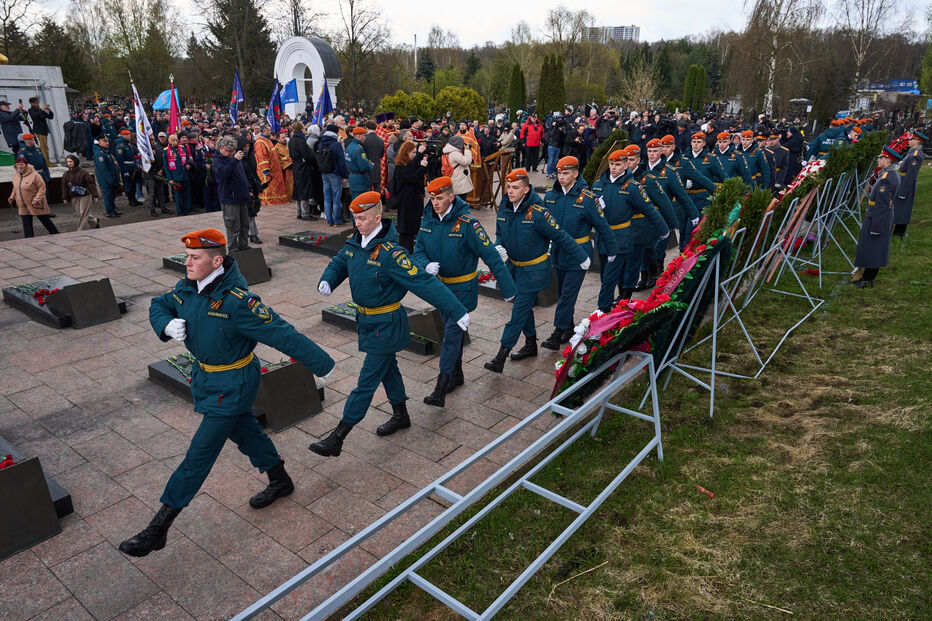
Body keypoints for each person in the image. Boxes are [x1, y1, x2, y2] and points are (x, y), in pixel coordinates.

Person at [119, 228, 335, 557]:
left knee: (199, 455)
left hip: (234, 383)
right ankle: (280, 479)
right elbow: (158, 304)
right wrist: (165, 323)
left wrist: (322, 363)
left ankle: (158, 527)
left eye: (195, 258)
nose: (186, 263)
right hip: (208, 379)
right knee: (246, 430)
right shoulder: (186, 288)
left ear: (216, 261)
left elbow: (281, 333)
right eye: (187, 257)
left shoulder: (239, 303)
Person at [313, 192, 469, 454]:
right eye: (355, 217)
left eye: (362, 218)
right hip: (366, 320)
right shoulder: (356, 241)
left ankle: (338, 436)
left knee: (367, 380)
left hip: (386, 323)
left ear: (377, 218)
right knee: (388, 369)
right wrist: (329, 278)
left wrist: (456, 310)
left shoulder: (392, 253)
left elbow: (423, 281)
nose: (357, 222)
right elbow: (341, 260)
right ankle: (400, 414)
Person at [413, 177, 517, 406]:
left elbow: (490, 255)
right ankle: (456, 375)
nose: (435, 203)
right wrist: (424, 264)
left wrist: (507, 288)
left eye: (439, 198)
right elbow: (418, 250)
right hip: (441, 289)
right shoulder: (428, 220)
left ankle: (440, 388)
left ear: (451, 197)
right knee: (452, 333)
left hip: (462, 290)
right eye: (432, 198)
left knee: (451, 334)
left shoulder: (468, 224)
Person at [485, 169, 587, 372]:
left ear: (526, 189)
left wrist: (581, 257)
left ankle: (501, 356)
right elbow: (500, 233)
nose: (510, 191)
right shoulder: (504, 209)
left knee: (518, 311)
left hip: (534, 271)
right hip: (514, 268)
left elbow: (561, 236)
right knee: (523, 308)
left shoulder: (539, 213)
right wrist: (498, 244)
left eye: (515, 188)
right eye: (508, 187)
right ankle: (531, 344)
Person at [540, 156, 615, 348]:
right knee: (563, 291)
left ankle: (557, 332)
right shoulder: (550, 197)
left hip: (578, 255)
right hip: (558, 252)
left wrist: (612, 250)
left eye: (566, 173)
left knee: (567, 294)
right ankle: (568, 327)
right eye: (559, 173)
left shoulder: (587, 199)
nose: (561, 177)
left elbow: (602, 226)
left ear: (575, 174)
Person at [592, 149, 669, 310]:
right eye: (612, 164)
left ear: (626, 165)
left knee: (609, 278)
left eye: (618, 164)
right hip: (602, 237)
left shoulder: (633, 187)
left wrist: (664, 231)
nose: (613, 167)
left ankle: (602, 309)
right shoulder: (598, 185)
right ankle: (622, 302)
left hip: (620, 237)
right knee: (607, 273)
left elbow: (649, 210)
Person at [851, 146, 901, 289]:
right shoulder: (888, 175)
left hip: (879, 217)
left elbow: (882, 204)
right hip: (878, 214)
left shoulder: (887, 178)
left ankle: (868, 279)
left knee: (874, 248)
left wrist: (876, 227)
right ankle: (866, 276)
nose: (878, 160)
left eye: (881, 158)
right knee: (872, 247)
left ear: (888, 160)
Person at [213, 136, 253, 252]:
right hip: (229, 198)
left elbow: (242, 176)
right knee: (232, 224)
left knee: (244, 224)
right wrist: (234, 160)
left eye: (232, 151)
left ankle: (244, 245)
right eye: (228, 150)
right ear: (220, 148)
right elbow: (225, 173)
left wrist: (248, 189)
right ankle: (233, 248)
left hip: (242, 196)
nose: (230, 153)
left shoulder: (236, 159)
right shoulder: (217, 160)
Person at [9, 155, 59, 238]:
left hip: (35, 203)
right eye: (17, 165)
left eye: (21, 164)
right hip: (22, 205)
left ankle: (55, 233)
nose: (19, 166)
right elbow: (15, 187)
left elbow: (42, 188)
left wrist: (37, 199)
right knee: (26, 224)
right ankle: (29, 239)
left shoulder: (35, 175)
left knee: (44, 220)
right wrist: (12, 196)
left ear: (26, 164)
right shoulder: (16, 176)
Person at [892, 130, 926, 237]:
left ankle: (899, 233)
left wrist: (904, 191)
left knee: (904, 208)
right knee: (900, 207)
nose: (909, 141)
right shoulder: (912, 152)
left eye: (911, 139)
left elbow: (911, 174)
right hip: (903, 181)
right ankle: (898, 231)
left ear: (917, 141)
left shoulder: (915, 155)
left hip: (906, 183)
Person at [316, 123, 347, 226]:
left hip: (324, 173)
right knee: (336, 198)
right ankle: (337, 220)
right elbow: (341, 161)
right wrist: (344, 175)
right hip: (335, 173)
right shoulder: (336, 144)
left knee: (327, 197)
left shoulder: (321, 143)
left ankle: (329, 220)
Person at [288, 122, 318, 220]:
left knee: (298, 189)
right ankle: (305, 213)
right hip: (303, 167)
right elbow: (308, 155)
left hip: (296, 166)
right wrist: (313, 162)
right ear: (301, 129)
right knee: (304, 189)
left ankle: (299, 212)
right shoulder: (301, 141)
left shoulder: (292, 141)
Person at [61, 154, 99, 230]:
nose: (69, 163)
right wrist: (64, 197)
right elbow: (64, 187)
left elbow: (91, 184)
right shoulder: (66, 174)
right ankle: (94, 222)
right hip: (74, 196)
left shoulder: (83, 173)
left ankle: (80, 229)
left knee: (83, 213)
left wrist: (95, 195)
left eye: (71, 161)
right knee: (81, 213)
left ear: (75, 161)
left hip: (85, 195)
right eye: (68, 162)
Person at [254, 125, 288, 205]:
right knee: (269, 187)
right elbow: (262, 156)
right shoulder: (260, 142)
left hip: (275, 169)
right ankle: (268, 201)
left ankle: (278, 200)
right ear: (265, 131)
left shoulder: (267, 140)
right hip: (268, 170)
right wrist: (265, 169)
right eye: (269, 130)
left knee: (276, 186)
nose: (270, 132)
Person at [93, 136, 123, 218]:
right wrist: (110, 179)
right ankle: (109, 211)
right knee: (108, 196)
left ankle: (112, 209)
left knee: (112, 195)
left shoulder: (106, 152)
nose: (107, 143)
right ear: (99, 142)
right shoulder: (99, 154)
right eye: (105, 141)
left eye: (107, 141)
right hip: (106, 180)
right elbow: (103, 169)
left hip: (111, 178)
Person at [163, 134, 192, 216]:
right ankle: (180, 211)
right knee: (178, 196)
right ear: (169, 141)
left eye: (176, 140)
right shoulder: (166, 150)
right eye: (173, 140)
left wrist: (188, 164)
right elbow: (166, 166)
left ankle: (187, 210)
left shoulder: (182, 148)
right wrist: (170, 178)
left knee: (187, 194)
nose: (175, 141)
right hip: (175, 176)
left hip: (185, 174)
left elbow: (187, 158)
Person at [114, 130, 142, 207]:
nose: (130, 136)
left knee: (133, 184)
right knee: (128, 185)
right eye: (128, 135)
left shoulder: (127, 144)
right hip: (126, 167)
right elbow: (120, 160)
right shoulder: (120, 146)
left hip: (131, 166)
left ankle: (134, 199)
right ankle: (131, 200)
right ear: (124, 135)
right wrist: (124, 171)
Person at [442, 135, 473, 202]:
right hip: (459, 180)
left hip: (455, 178)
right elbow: (466, 161)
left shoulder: (449, 151)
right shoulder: (454, 153)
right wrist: (467, 150)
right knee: (460, 200)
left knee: (456, 200)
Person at [345, 126, 374, 199]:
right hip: (360, 180)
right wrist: (370, 165)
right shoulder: (359, 149)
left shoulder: (349, 146)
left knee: (355, 202)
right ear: (358, 136)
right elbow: (363, 167)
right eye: (363, 135)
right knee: (361, 204)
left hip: (352, 177)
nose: (365, 137)